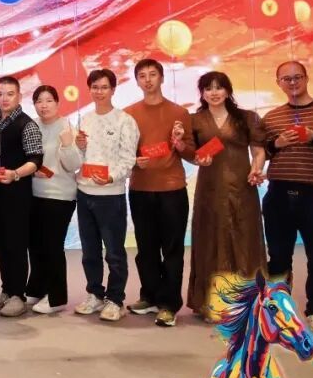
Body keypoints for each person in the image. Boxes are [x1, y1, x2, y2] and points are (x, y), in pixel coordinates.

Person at [186, 71, 266, 323]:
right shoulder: (194, 120)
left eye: (219, 87)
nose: (214, 92)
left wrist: (256, 168)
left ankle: (247, 303)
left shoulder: (247, 117)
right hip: (209, 190)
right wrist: (197, 157)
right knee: (210, 240)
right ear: (202, 93)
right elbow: (191, 154)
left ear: (228, 90)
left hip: (242, 188)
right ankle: (212, 303)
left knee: (244, 240)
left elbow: (258, 151)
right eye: (208, 88)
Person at [261, 61, 313, 333]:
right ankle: (279, 310)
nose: (292, 82)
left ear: (306, 78)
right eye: (286, 79)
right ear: (278, 83)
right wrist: (276, 144)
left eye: (297, 77)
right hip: (278, 193)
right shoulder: (271, 117)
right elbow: (262, 152)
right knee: (278, 256)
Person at [124, 59, 195, 328]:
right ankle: (150, 296)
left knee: (172, 249)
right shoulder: (128, 113)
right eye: (142, 76)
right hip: (140, 189)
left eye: (153, 74)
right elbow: (123, 152)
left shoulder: (179, 113)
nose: (148, 80)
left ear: (162, 78)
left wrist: (180, 144)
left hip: (171, 189)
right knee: (146, 248)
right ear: (137, 81)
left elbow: (191, 153)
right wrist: (134, 161)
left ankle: (169, 304)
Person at [74, 69, 139, 323]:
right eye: (95, 87)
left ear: (113, 90)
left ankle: (115, 299)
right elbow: (79, 158)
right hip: (84, 193)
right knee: (89, 251)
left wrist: (111, 177)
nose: (99, 92)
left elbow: (128, 160)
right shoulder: (85, 119)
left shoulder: (124, 121)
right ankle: (95, 294)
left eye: (104, 87)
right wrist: (78, 148)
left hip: (111, 196)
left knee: (114, 252)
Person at [0, 76, 43, 318]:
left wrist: (15, 174)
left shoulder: (27, 124)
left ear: (19, 96)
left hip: (17, 195)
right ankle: (7, 290)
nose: (5, 98)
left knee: (16, 245)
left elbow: (36, 160)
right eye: (0, 94)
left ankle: (19, 295)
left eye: (10, 94)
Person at [29, 85, 82, 315]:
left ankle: (57, 297)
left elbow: (74, 165)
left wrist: (68, 143)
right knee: (35, 245)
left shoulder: (68, 127)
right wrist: (31, 171)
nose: (44, 105)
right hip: (34, 193)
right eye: (39, 101)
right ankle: (37, 288)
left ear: (58, 103)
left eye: (49, 100)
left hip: (59, 195)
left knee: (52, 245)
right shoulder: (31, 126)